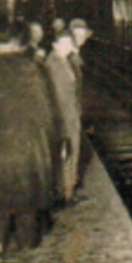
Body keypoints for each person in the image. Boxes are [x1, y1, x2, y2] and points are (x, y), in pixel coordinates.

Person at [0, 23, 59, 253]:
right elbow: (45, 111)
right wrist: (49, 140)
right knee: (28, 195)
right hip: (28, 142)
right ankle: (28, 241)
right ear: (20, 43)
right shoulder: (31, 68)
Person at [45, 28, 85, 202]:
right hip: (63, 117)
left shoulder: (65, 61)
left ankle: (69, 190)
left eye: (70, 43)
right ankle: (65, 193)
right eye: (65, 43)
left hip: (71, 115)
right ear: (55, 44)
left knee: (71, 153)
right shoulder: (53, 64)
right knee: (66, 154)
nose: (69, 46)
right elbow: (56, 96)